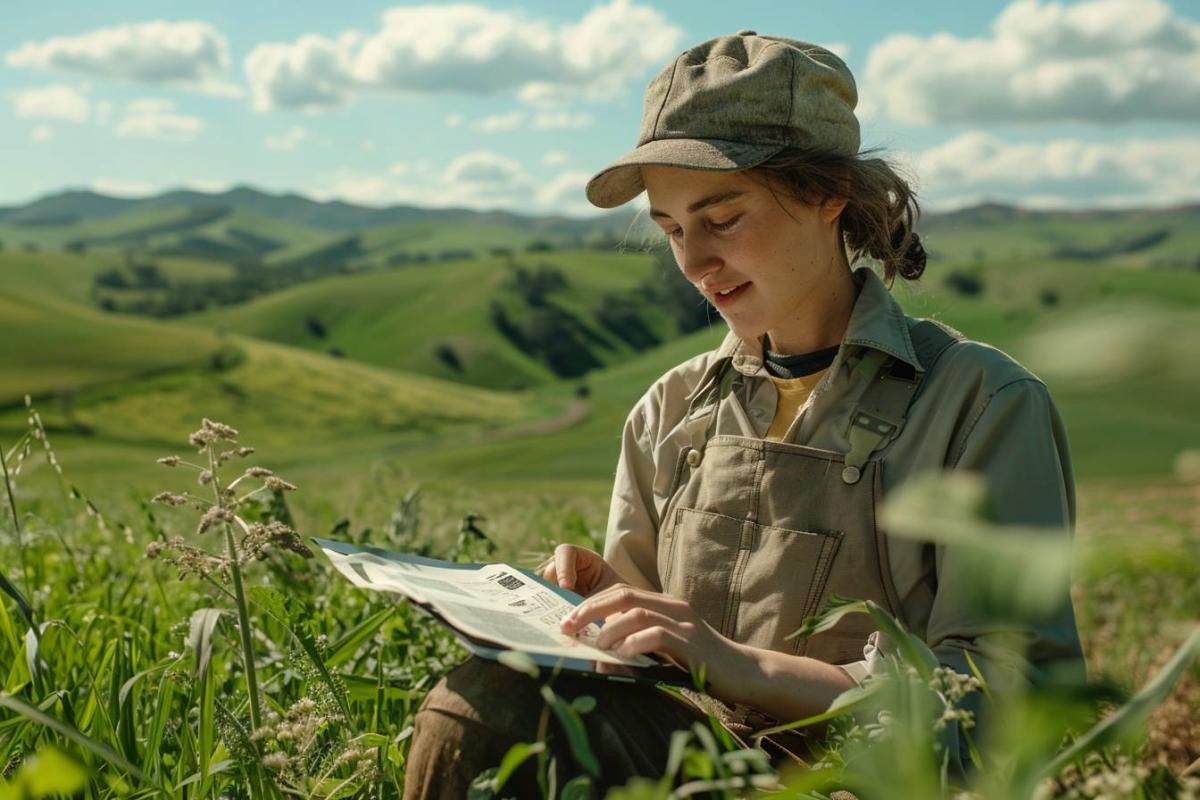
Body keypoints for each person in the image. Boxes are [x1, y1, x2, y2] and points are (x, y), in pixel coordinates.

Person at [403, 31, 1083, 798]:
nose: (693, 263)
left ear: (830, 195)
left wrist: (745, 665)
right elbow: (640, 674)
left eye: (722, 219)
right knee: (489, 697)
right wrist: (594, 606)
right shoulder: (669, 408)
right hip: (696, 774)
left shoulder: (981, 404)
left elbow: (1010, 700)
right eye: (670, 231)